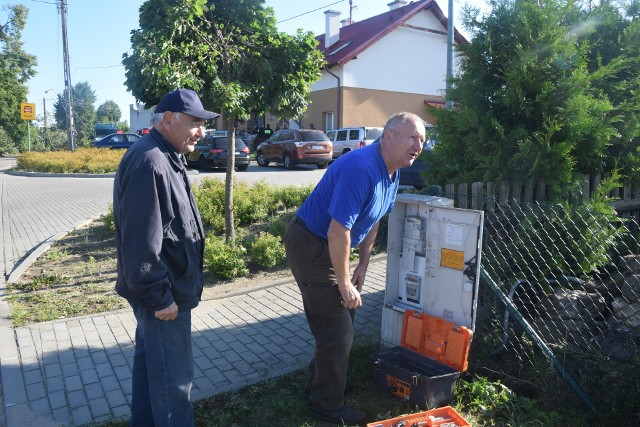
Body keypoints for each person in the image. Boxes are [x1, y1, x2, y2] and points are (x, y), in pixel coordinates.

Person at [283, 112, 425, 425]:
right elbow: (338, 231)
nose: (419, 145)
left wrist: (362, 264)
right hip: (310, 244)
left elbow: (372, 220)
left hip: (329, 244)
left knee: (341, 321)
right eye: (413, 137)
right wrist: (344, 282)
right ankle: (326, 407)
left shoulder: (392, 171)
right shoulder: (361, 168)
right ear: (389, 136)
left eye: (422, 140)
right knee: (337, 331)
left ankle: (323, 386)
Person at [113, 88, 218, 426]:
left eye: (204, 123)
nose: (201, 131)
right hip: (164, 299)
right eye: (195, 123)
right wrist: (160, 298)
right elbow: (141, 245)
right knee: (175, 386)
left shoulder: (165, 155)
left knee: (150, 373)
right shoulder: (150, 162)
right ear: (169, 120)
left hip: (164, 294)